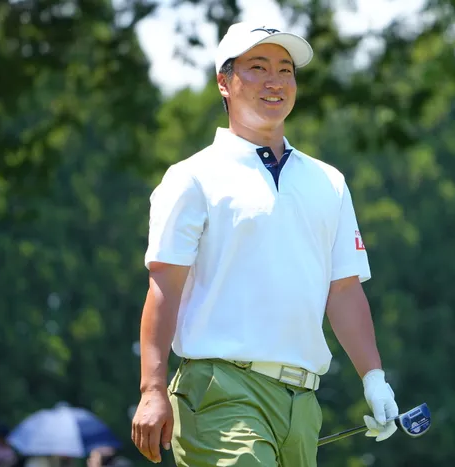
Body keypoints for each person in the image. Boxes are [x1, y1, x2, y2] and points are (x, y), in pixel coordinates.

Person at [131, 21, 399, 467]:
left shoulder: (329, 182)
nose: (275, 81)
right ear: (224, 82)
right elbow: (164, 286)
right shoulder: (192, 177)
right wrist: (151, 389)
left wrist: (374, 379)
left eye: (285, 70)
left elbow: (344, 290)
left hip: (303, 402)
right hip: (218, 391)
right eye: (258, 67)